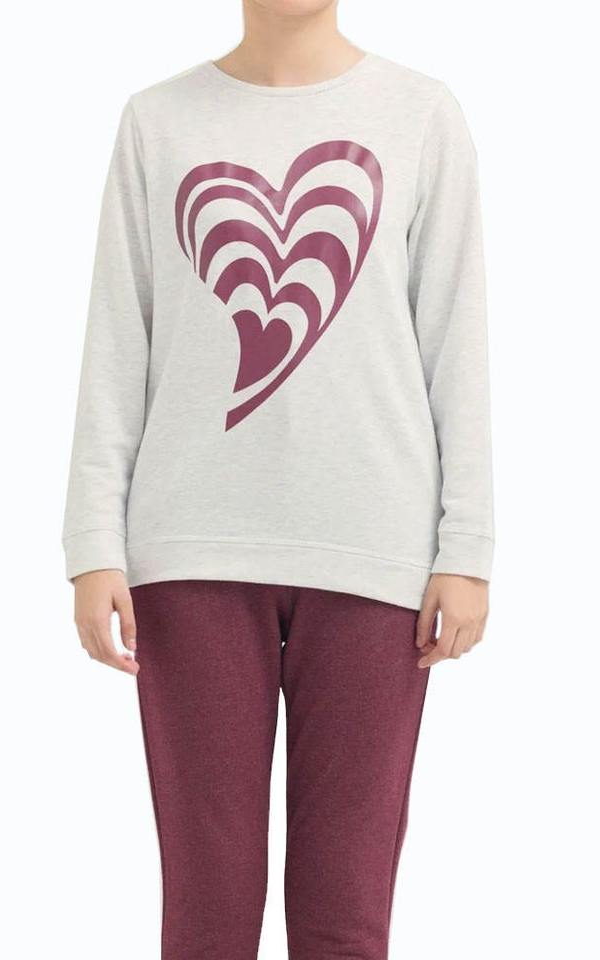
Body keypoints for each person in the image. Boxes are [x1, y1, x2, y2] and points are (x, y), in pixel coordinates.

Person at [63, 1, 493, 956]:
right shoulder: (157, 121)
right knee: (206, 908)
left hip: (374, 550)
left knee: (347, 908)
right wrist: (93, 543)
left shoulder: (422, 115)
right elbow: (118, 338)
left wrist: (466, 547)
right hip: (190, 550)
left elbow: (455, 339)